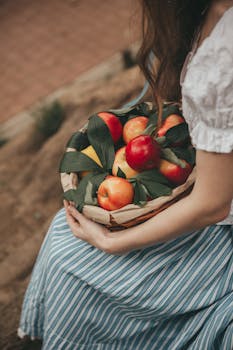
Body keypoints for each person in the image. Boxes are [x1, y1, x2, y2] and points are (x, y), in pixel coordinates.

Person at [18, 0, 233, 348]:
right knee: (65, 234)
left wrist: (112, 242)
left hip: (218, 221)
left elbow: (212, 206)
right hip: (205, 181)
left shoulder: (223, 56)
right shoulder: (206, 13)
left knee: (68, 257)